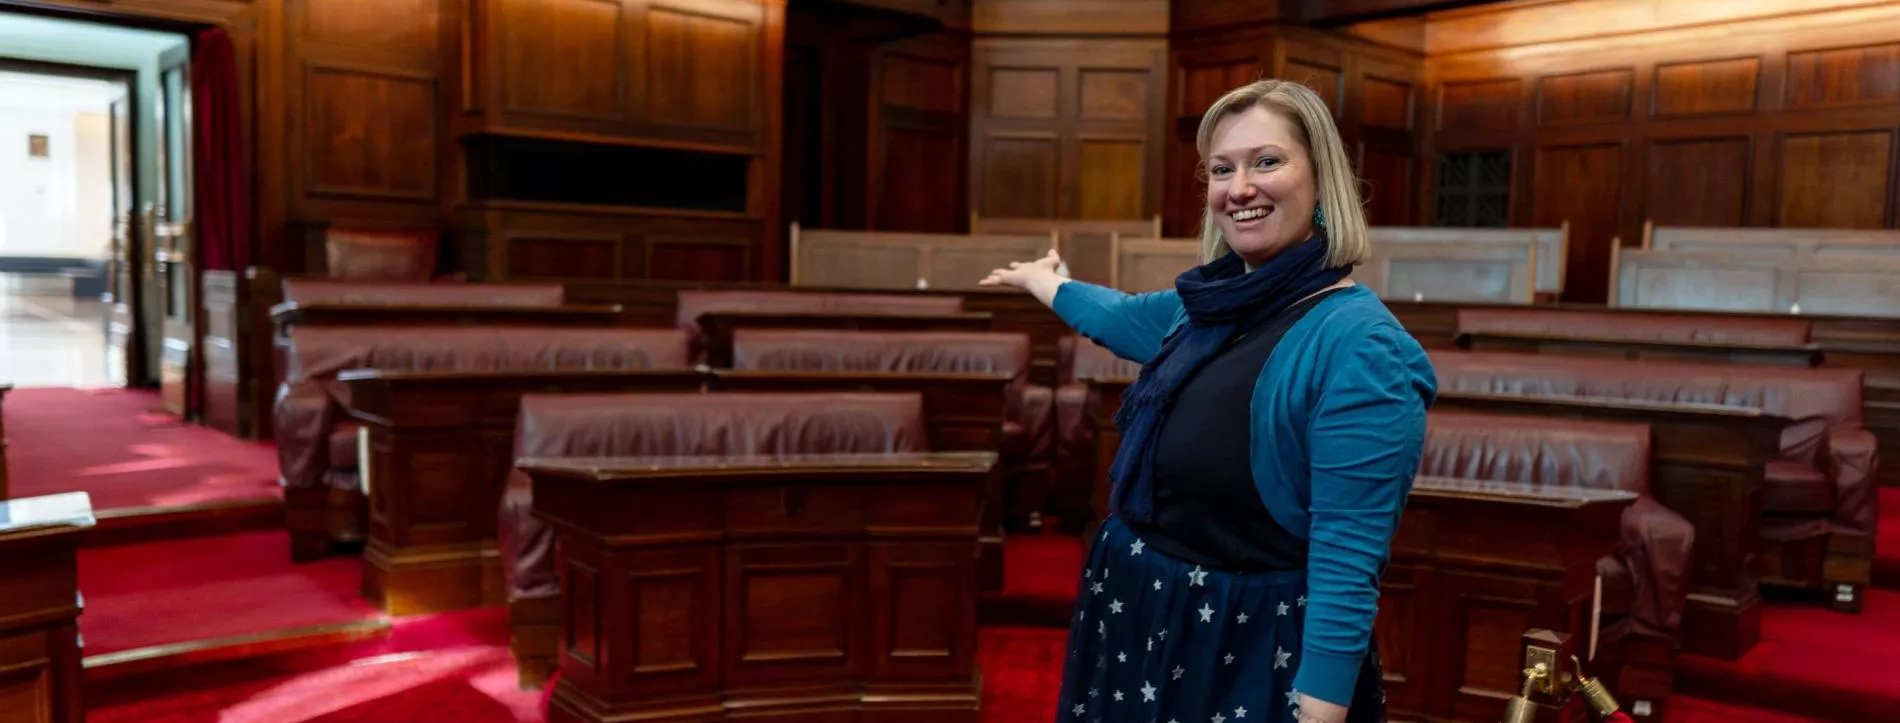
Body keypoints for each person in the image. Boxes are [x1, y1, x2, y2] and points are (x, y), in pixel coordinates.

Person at [979, 79, 1435, 723]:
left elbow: (1346, 563)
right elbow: (1125, 317)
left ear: (1323, 180)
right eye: (1222, 169)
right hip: (1137, 616)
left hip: (1243, 646)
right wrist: (1046, 283)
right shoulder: (1213, 306)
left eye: (1266, 161)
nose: (1238, 188)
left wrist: (1321, 715)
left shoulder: (1362, 347)